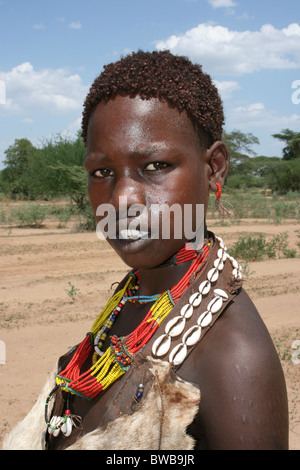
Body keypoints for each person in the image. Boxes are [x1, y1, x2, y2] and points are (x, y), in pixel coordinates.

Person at [3, 50, 289, 450]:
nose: (121, 199)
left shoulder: (234, 358)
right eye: (101, 172)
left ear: (215, 168)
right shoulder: (137, 297)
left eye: (154, 166)